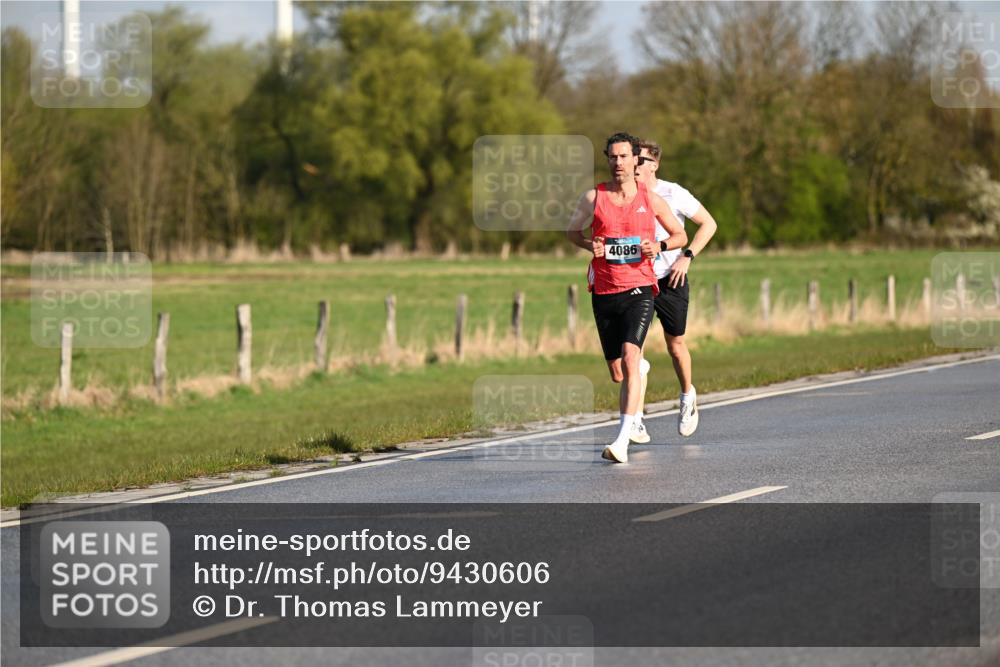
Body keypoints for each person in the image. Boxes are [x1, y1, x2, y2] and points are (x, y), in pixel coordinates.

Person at [566, 132, 687, 463]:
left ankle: (621, 441)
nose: (617, 163)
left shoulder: (651, 199)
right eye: (612, 157)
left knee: (631, 357)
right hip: (605, 290)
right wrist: (590, 245)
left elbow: (680, 235)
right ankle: (638, 370)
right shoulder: (594, 198)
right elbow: (572, 232)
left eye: (623, 157)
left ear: (636, 160)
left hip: (640, 288)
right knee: (618, 372)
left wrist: (659, 246)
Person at [632, 139, 718, 439]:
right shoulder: (626, 195)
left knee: (675, 346)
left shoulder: (673, 192)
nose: (635, 165)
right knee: (634, 351)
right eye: (632, 159)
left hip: (671, 278)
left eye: (640, 160)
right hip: (638, 280)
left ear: (654, 164)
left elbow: (708, 224)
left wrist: (687, 257)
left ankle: (686, 396)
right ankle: (636, 418)